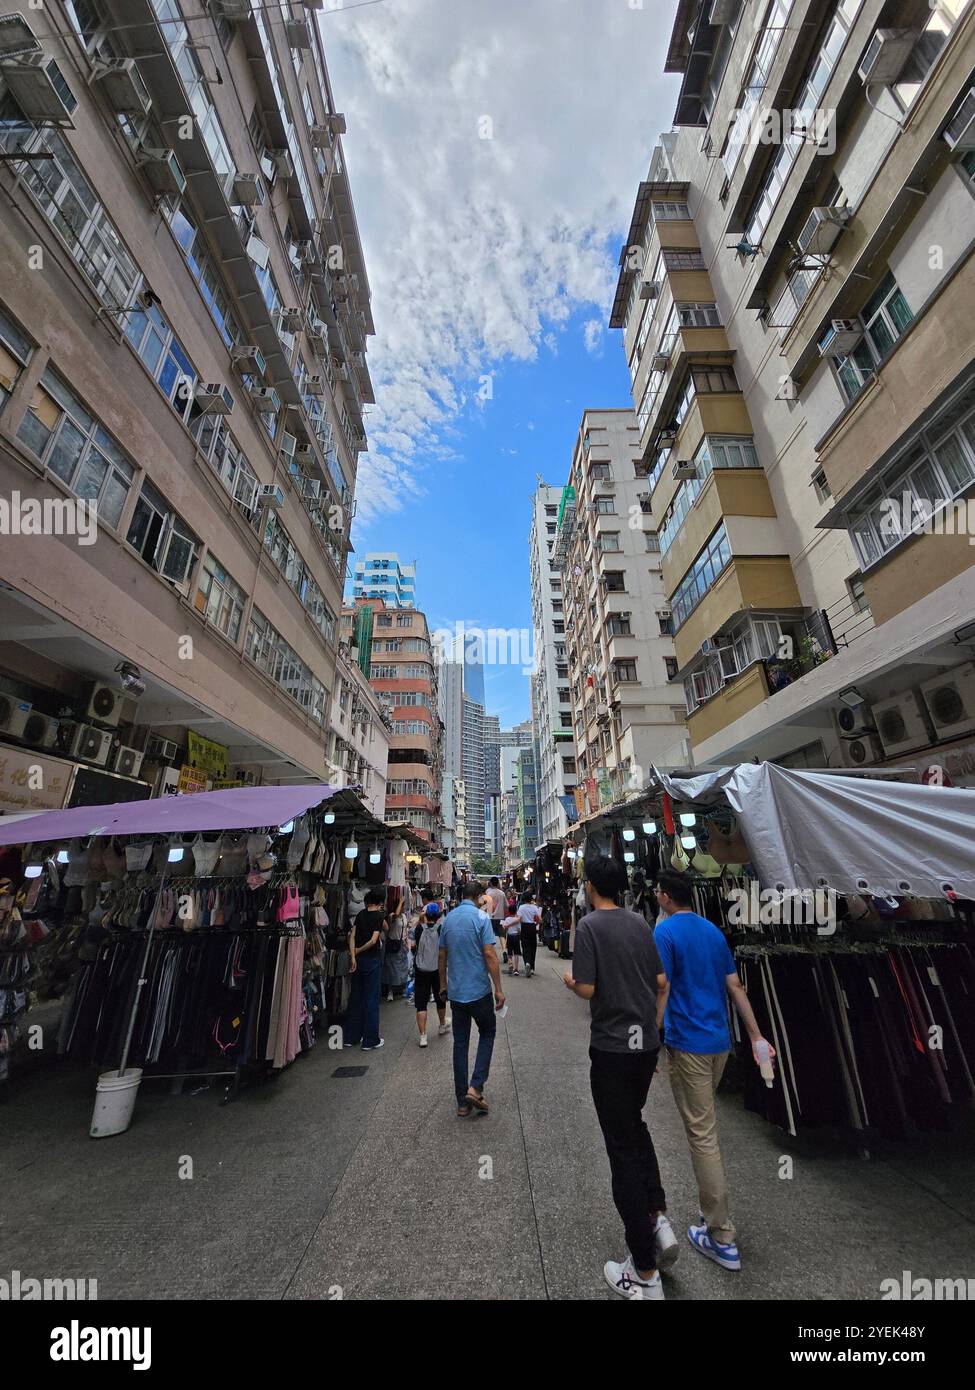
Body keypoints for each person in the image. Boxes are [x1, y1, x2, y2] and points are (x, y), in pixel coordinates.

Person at [653, 869, 775, 1274]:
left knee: (702, 1135)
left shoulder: (666, 933)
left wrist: (653, 1035)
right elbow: (736, 986)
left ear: (667, 897)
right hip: (720, 1044)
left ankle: (721, 1235)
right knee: (705, 1129)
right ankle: (713, 1220)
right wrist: (757, 1035)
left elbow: (662, 986)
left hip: (687, 1044)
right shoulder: (713, 933)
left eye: (657, 892)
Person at [564, 855, 674, 1301]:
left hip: (611, 1048)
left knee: (621, 1147)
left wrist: (572, 984)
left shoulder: (590, 926)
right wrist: (655, 1026)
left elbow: (588, 989)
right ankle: (658, 1216)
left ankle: (644, 1270)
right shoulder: (640, 924)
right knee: (637, 1125)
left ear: (591, 886)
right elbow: (662, 981)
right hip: (644, 1047)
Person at [438, 880, 505, 1117]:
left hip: (456, 994)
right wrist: (498, 988)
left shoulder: (448, 919)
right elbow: (489, 953)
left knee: (460, 1043)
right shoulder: (481, 918)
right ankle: (475, 1087)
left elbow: (442, 956)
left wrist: (443, 986)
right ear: (478, 897)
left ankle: (462, 1103)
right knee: (487, 1032)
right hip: (478, 991)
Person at [345, 887, 386, 1051]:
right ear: (380, 902)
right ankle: (370, 1040)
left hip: (359, 962)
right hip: (372, 960)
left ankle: (351, 1037)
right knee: (371, 1000)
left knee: (356, 998)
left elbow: (352, 936)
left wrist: (354, 956)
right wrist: (359, 950)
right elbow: (374, 940)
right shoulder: (378, 916)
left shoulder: (361, 914)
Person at [412, 901, 449, 1047]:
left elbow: (421, 925)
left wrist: (424, 916)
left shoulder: (419, 929)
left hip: (421, 969)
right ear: (439, 915)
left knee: (421, 1003)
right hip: (437, 969)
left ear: (426, 915)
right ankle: (441, 1025)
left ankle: (423, 1036)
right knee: (440, 998)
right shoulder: (441, 928)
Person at [382, 893, 409, 1002]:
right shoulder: (392, 916)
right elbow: (396, 914)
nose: (404, 908)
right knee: (391, 969)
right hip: (393, 945)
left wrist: (407, 941)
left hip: (402, 945)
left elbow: (405, 929)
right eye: (402, 906)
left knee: (402, 968)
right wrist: (401, 902)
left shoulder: (404, 916)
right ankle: (390, 991)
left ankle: (401, 989)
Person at [516, 891, 541, 978]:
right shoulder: (534, 907)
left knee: (525, 946)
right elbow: (539, 919)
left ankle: (527, 962)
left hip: (524, 927)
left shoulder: (521, 907)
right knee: (533, 946)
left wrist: (518, 928)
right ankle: (532, 968)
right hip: (532, 927)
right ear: (531, 898)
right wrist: (536, 924)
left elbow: (518, 919)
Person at [485, 876, 507, 958]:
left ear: (490, 883)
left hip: (490, 917)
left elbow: (484, 905)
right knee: (502, 935)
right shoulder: (502, 893)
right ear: (498, 883)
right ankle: (504, 951)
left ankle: (491, 953)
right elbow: (506, 905)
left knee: (490, 935)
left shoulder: (488, 893)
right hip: (500, 917)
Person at [503, 910, 521, 975]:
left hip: (509, 936)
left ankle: (510, 963)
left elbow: (505, 928)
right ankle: (516, 969)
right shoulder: (517, 919)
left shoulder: (507, 919)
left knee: (509, 952)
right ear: (515, 911)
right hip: (516, 937)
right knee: (516, 953)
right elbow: (519, 930)